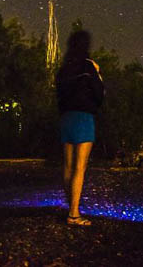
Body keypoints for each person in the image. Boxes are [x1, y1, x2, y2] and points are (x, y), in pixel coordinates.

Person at [56, 29, 104, 225]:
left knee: (67, 166)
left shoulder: (63, 69)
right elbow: (99, 94)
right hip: (84, 118)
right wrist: (98, 73)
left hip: (66, 118)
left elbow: (59, 95)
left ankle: (71, 208)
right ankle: (74, 214)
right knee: (79, 167)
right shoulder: (88, 67)